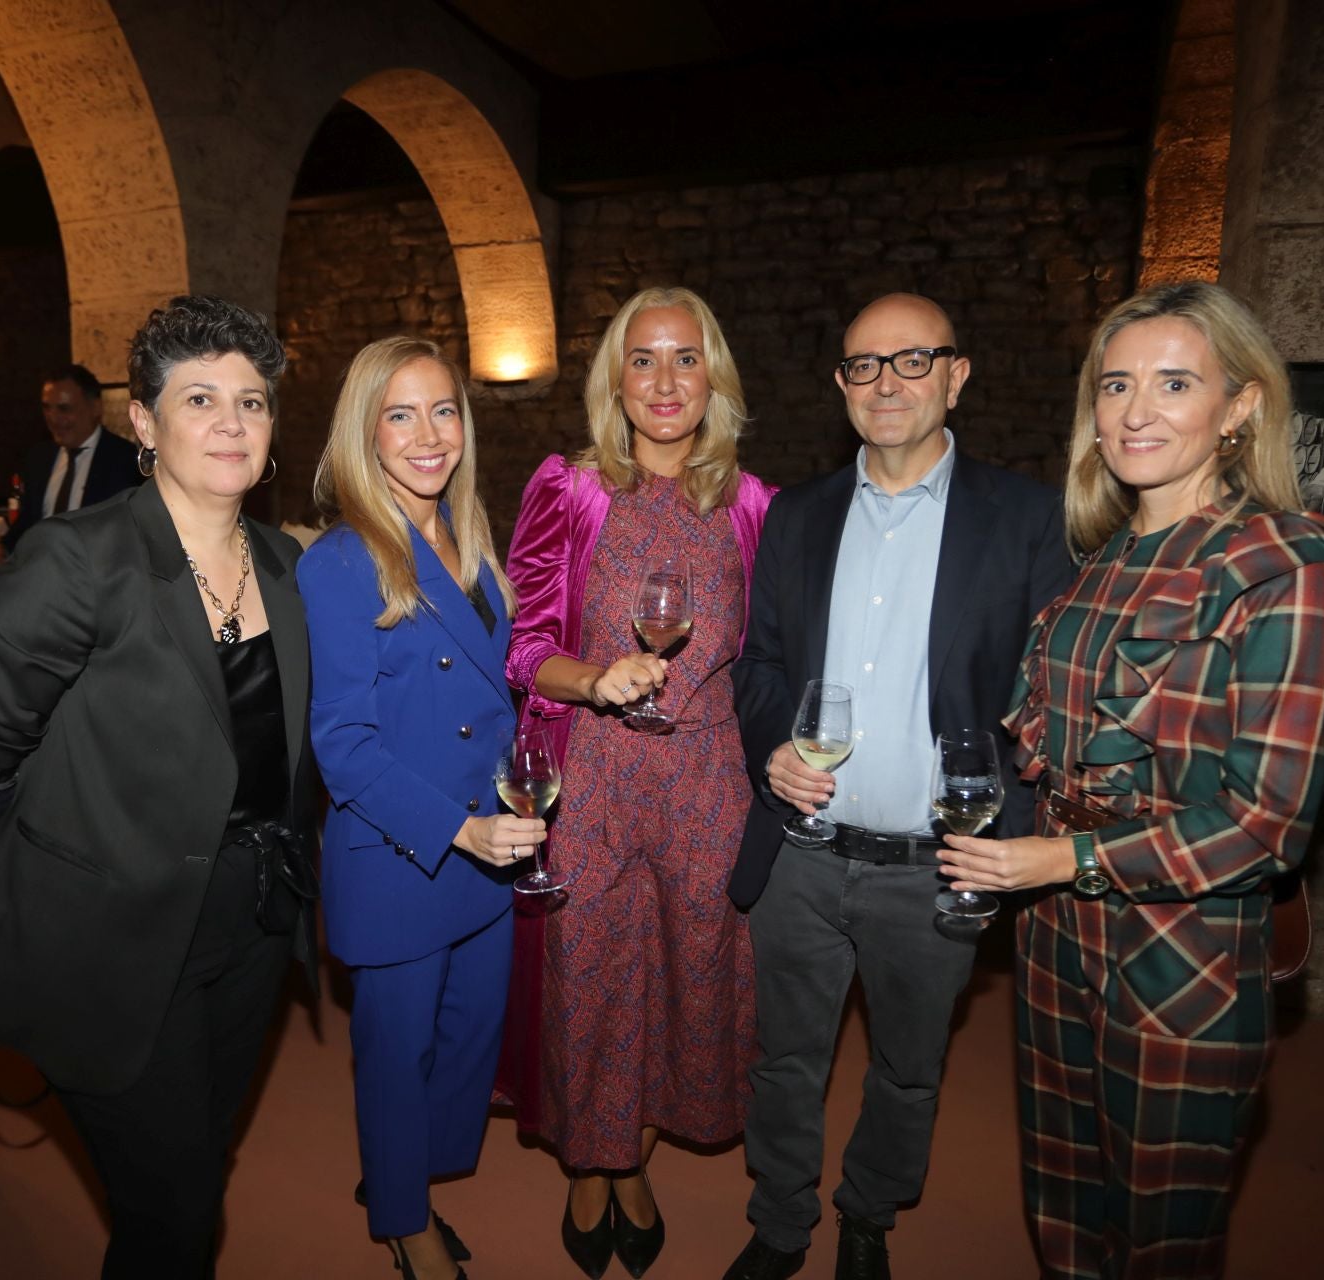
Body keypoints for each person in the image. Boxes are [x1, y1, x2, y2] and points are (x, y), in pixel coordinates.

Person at [938, 281, 1324, 1280]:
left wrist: (1061, 857)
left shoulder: (1285, 571)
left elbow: (1264, 826)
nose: (1135, 411)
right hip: (1055, 929)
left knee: (1163, 1230)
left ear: (1241, 406)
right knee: (1063, 1198)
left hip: (1184, 947)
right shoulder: (1105, 558)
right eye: (1115, 385)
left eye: (1174, 383)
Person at [0, 296, 314, 1279]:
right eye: (200, 399)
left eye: (252, 401)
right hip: (117, 936)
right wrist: (51, 886)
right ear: (144, 421)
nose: (232, 422)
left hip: (255, 918)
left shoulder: (281, 562)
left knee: (198, 1169)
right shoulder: (80, 559)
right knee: (173, 1208)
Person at [727, 293, 1074, 1280]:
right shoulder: (797, 514)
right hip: (801, 853)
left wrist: (1009, 831)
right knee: (784, 1060)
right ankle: (779, 1223)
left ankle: (868, 1215)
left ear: (956, 376)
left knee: (909, 1068)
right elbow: (760, 664)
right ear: (842, 385)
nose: (887, 383)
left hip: (935, 866)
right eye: (864, 365)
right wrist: (772, 747)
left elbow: (1049, 694)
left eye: (912, 360)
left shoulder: (1027, 518)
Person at [501, 286, 776, 1279]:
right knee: (590, 971)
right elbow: (524, 647)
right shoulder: (569, 489)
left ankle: (637, 1148)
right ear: (614, 379)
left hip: (708, 780)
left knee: (687, 976)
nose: (664, 381)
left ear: (715, 378)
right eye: (643, 359)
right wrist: (593, 679)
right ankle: (596, 1160)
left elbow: (769, 658)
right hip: (596, 773)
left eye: (685, 358)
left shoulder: (754, 504)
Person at [299, 336, 537, 1280]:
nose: (428, 434)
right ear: (365, 432)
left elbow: (491, 695)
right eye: (400, 414)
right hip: (407, 848)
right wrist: (460, 828)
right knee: (397, 1053)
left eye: (443, 410)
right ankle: (403, 1218)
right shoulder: (343, 561)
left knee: (470, 1036)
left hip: (487, 844)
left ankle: (409, 1170)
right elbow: (343, 747)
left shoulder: (469, 539)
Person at [4, 362, 143, 550]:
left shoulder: (124, 459)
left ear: (95, 408)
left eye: (64, 409)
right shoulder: (39, 458)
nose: (53, 418)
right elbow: (27, 522)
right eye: (47, 408)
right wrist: (1, 547)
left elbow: (125, 534)